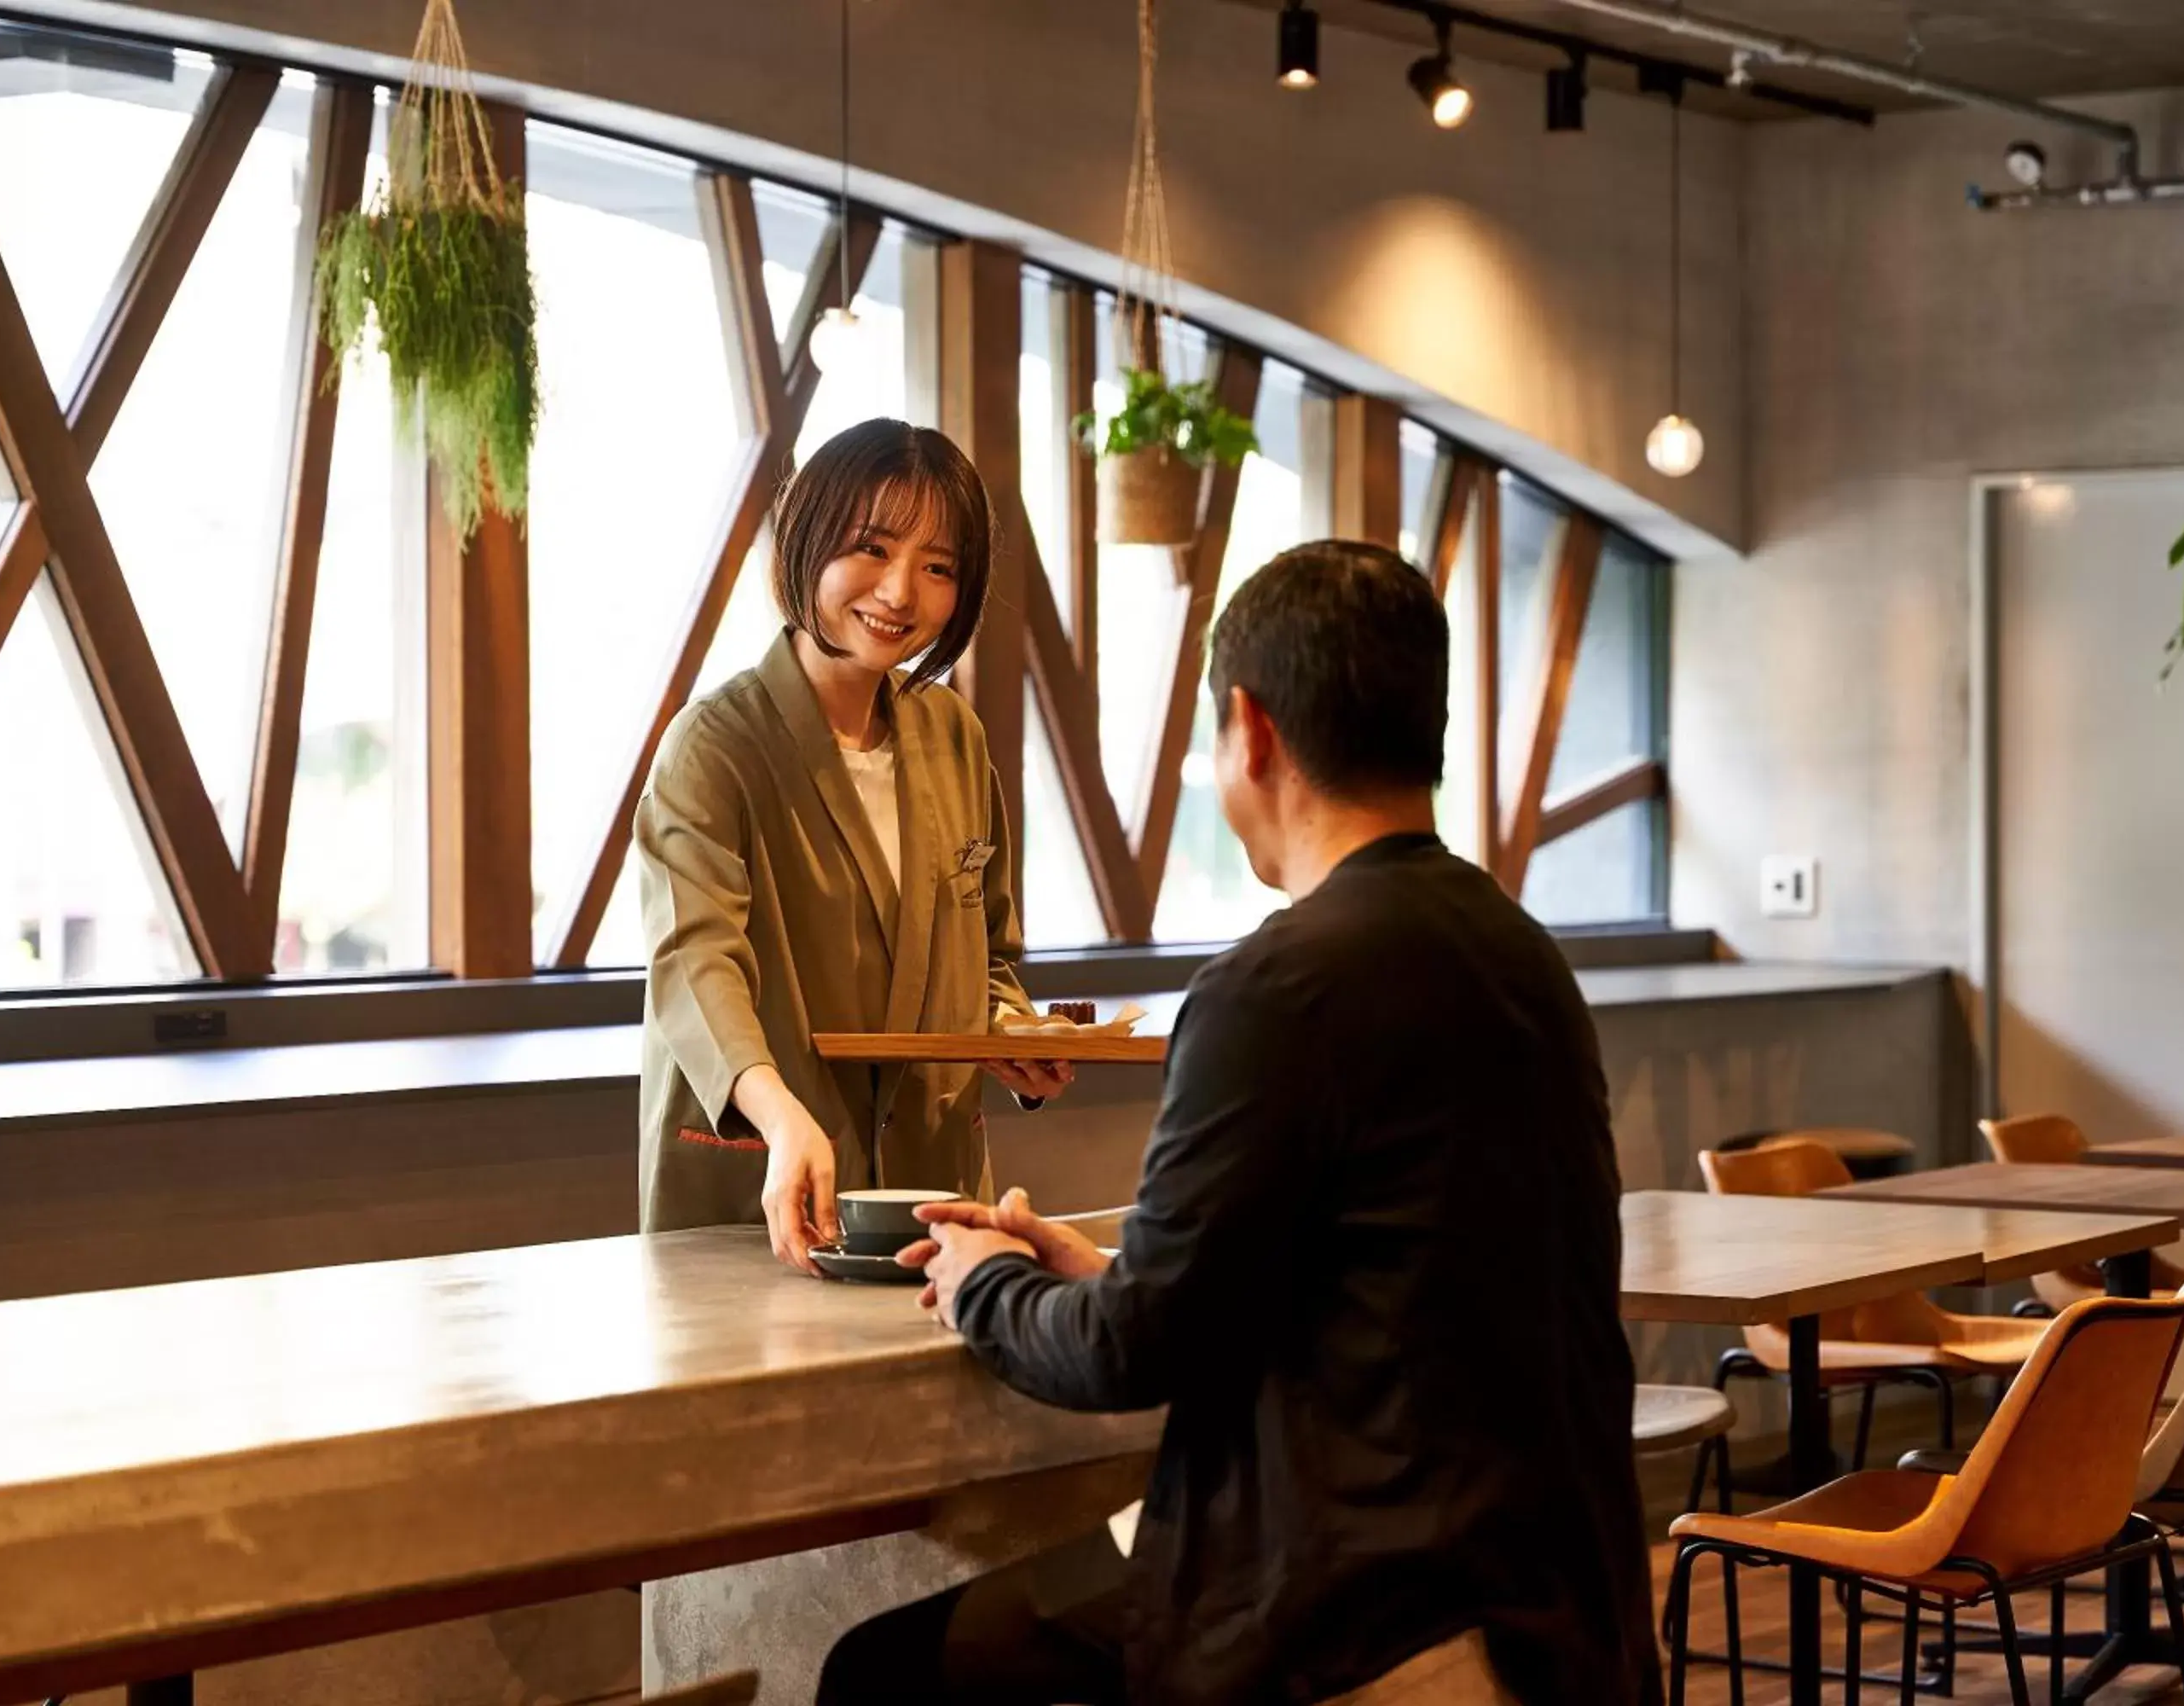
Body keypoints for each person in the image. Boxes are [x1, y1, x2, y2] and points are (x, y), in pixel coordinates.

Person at [823, 542, 1659, 1703]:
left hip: (1357, 1604)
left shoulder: (1277, 986)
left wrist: (983, 1285)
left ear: (1249, 730)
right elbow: (1385, 1275)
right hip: (1560, 1602)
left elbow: (1136, 1352)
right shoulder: (1521, 958)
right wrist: (1109, 1267)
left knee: (884, 1673)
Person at [636, 419, 1070, 1262]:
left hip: (933, 1192)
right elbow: (695, 963)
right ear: (807, 537)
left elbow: (987, 958)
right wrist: (778, 1111)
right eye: (871, 548)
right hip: (769, 1181)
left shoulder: (956, 736)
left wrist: (1014, 1033)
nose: (902, 593)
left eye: (939, 567)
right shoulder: (714, 745)